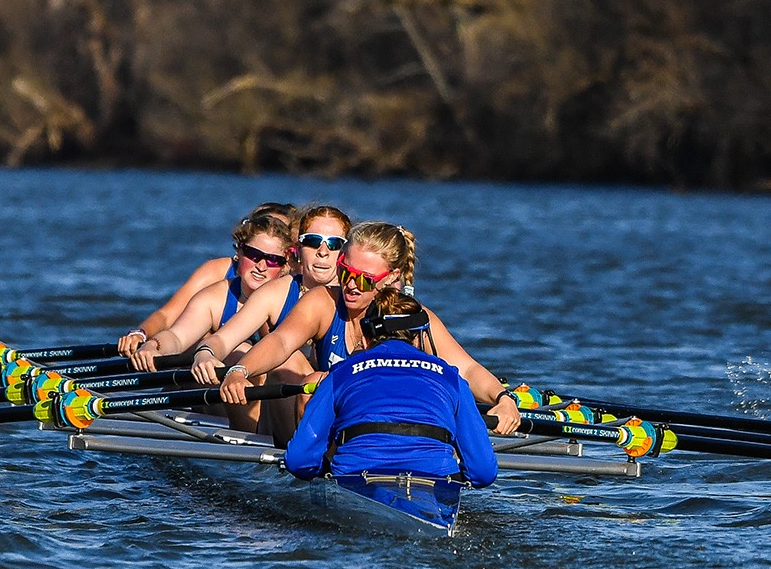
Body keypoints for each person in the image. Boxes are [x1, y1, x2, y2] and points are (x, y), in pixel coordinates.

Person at [218, 221, 523, 436]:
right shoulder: (323, 302)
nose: (350, 285)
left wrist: (503, 399)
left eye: (364, 279)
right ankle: (307, 468)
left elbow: (466, 370)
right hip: (324, 432)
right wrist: (240, 371)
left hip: (383, 428)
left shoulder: (414, 319)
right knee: (306, 376)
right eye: (345, 272)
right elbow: (282, 342)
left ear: (392, 278)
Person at [281, 290, 498, 529]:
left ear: (365, 338)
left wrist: (325, 472)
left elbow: (298, 460)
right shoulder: (452, 378)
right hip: (435, 481)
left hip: (355, 478)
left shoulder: (341, 374)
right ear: (419, 338)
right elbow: (483, 472)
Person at [187, 204, 352, 387]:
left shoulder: (359, 296)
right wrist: (204, 354)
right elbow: (223, 339)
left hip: (339, 403)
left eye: (335, 244)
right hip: (282, 404)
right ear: (298, 249)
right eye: (313, 241)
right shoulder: (275, 294)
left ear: (346, 253)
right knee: (270, 359)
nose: (322, 252)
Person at [117, 201, 297, 356]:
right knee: (204, 340)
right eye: (254, 253)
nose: (262, 264)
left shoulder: (297, 288)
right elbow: (168, 318)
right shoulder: (217, 275)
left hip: (263, 372)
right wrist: (143, 336)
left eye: (273, 258)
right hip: (211, 361)